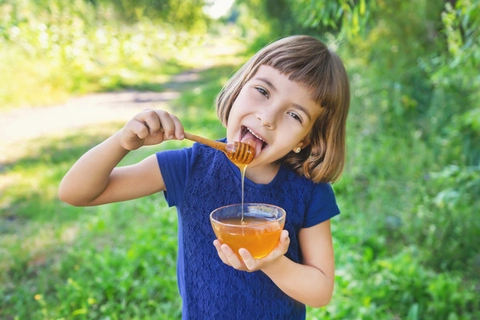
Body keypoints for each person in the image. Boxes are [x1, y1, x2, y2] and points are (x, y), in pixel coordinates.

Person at [59, 35, 350, 319]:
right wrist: (122, 142)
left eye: (295, 115)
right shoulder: (190, 167)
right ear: (239, 88)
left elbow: (320, 291)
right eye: (263, 91)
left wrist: (272, 263)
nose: (267, 117)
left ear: (306, 139)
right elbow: (77, 192)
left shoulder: (309, 191)